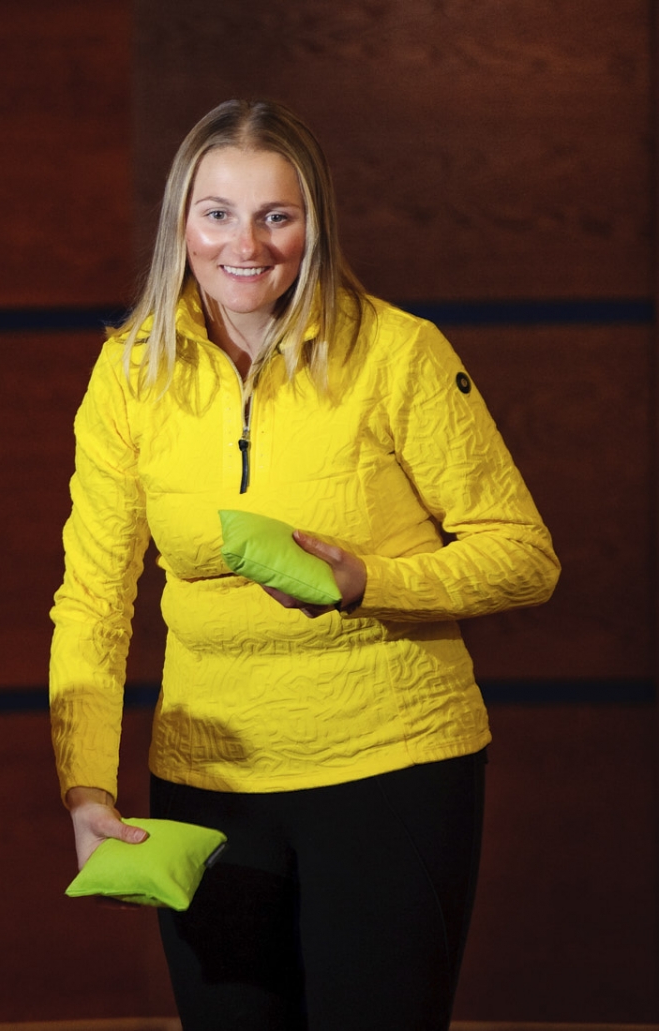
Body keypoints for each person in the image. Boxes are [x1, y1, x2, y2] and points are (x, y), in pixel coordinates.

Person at [48, 99, 559, 1030]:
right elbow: (93, 599)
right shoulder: (128, 374)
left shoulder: (398, 353)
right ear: (181, 222)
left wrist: (370, 582)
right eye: (217, 213)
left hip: (394, 772)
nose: (245, 245)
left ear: (313, 224)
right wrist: (86, 787)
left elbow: (524, 556)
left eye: (275, 215)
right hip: (209, 786)